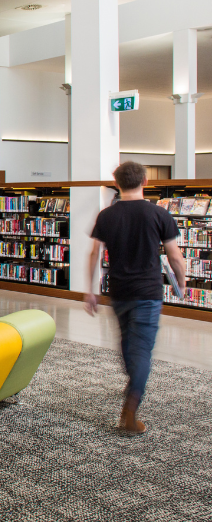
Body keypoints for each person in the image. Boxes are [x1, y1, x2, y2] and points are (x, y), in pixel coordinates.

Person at [84, 161, 185, 434]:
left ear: (116, 183)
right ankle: (131, 408)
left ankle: (133, 386)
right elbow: (174, 255)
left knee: (128, 344)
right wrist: (182, 281)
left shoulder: (106, 215)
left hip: (119, 291)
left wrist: (90, 290)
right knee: (141, 349)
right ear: (146, 181)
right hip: (148, 292)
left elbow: (94, 254)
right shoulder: (159, 214)